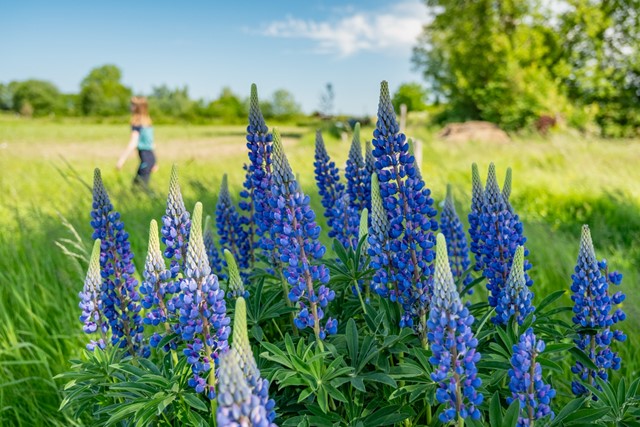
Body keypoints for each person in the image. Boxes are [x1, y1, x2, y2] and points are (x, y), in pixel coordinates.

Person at [116, 96, 157, 186]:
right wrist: (155, 162)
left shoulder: (137, 123)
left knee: (138, 188)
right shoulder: (147, 122)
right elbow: (152, 144)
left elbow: (133, 143)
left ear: (137, 107)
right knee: (140, 184)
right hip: (150, 158)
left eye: (132, 105)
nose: (130, 107)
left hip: (145, 159)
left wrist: (121, 160)